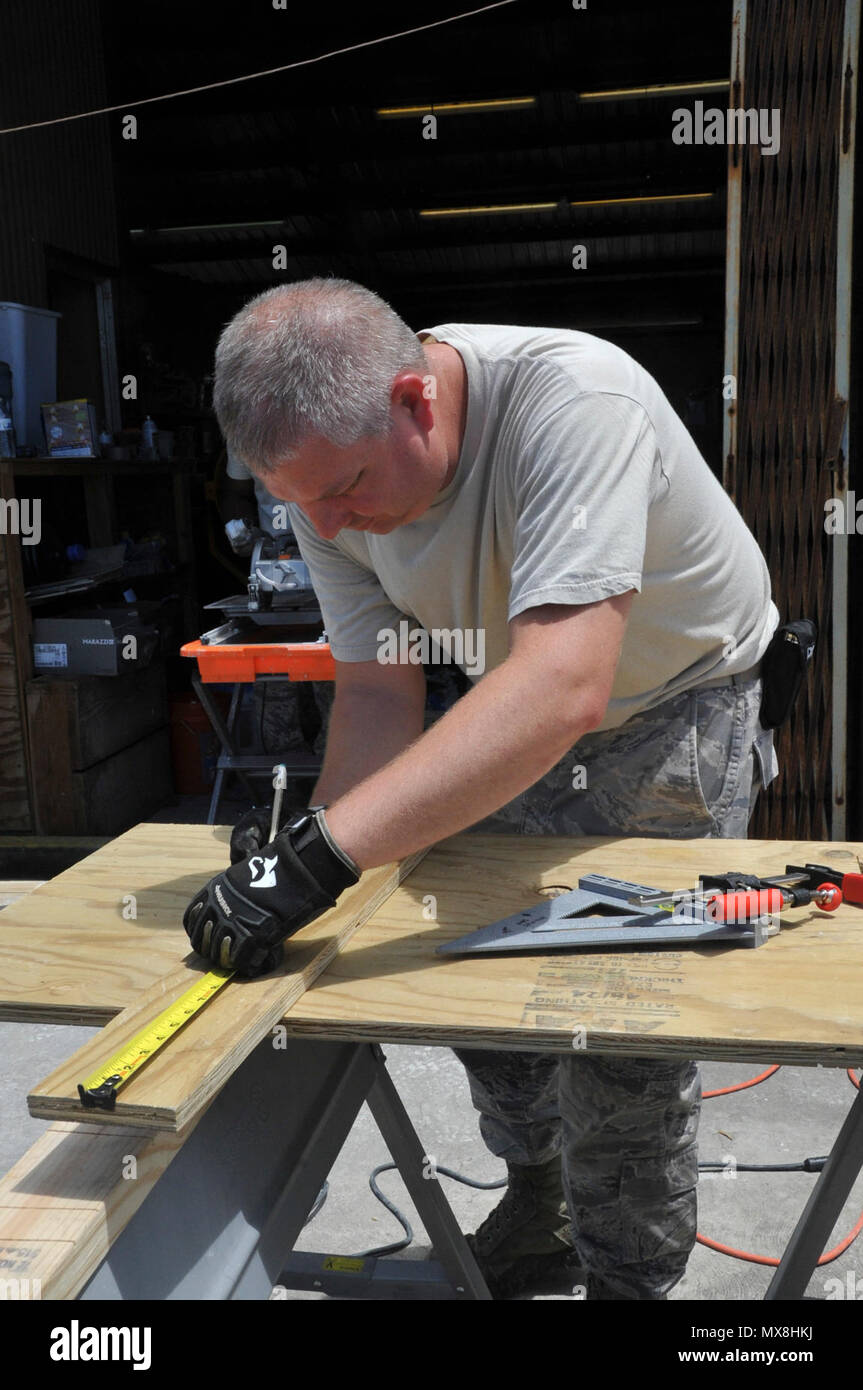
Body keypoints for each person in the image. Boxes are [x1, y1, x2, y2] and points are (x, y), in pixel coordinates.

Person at [183, 277, 780, 1300]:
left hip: (671, 706)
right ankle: (539, 1205)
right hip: (512, 692)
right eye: (296, 504)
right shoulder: (327, 478)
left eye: (345, 488)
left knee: (614, 1027)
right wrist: (313, 847)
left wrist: (320, 855)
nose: (324, 524)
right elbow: (376, 690)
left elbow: (564, 684)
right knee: (462, 970)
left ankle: (626, 1286)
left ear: (414, 400)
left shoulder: (572, 405)